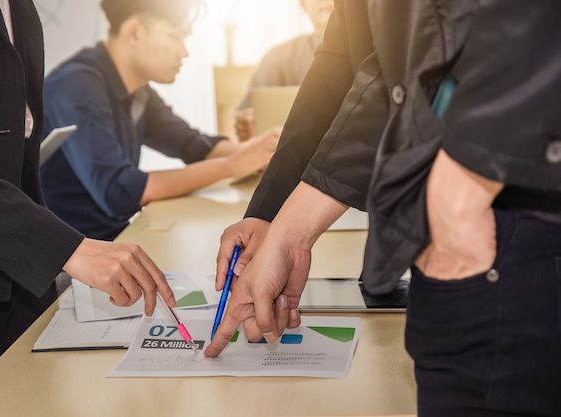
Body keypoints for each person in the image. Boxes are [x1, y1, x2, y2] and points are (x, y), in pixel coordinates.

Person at [205, 1, 561, 416]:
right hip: (459, 228)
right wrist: (286, 231)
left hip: (510, 216)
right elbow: (374, 70)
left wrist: (462, 188)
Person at [0, 1, 176, 414]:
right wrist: (66, 248)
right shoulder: (82, 81)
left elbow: (18, 155)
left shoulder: (21, 10)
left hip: (20, 277)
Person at [40, 0, 280, 241]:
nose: (184, 51)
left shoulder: (138, 91)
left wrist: (255, 154)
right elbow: (119, 192)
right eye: (175, 36)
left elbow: (193, 145)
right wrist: (232, 164)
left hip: (114, 238)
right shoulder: (76, 86)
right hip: (70, 257)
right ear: (134, 32)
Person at [233, 0, 334, 141]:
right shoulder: (277, 58)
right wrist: (246, 123)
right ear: (302, 4)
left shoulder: (373, 52)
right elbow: (249, 114)